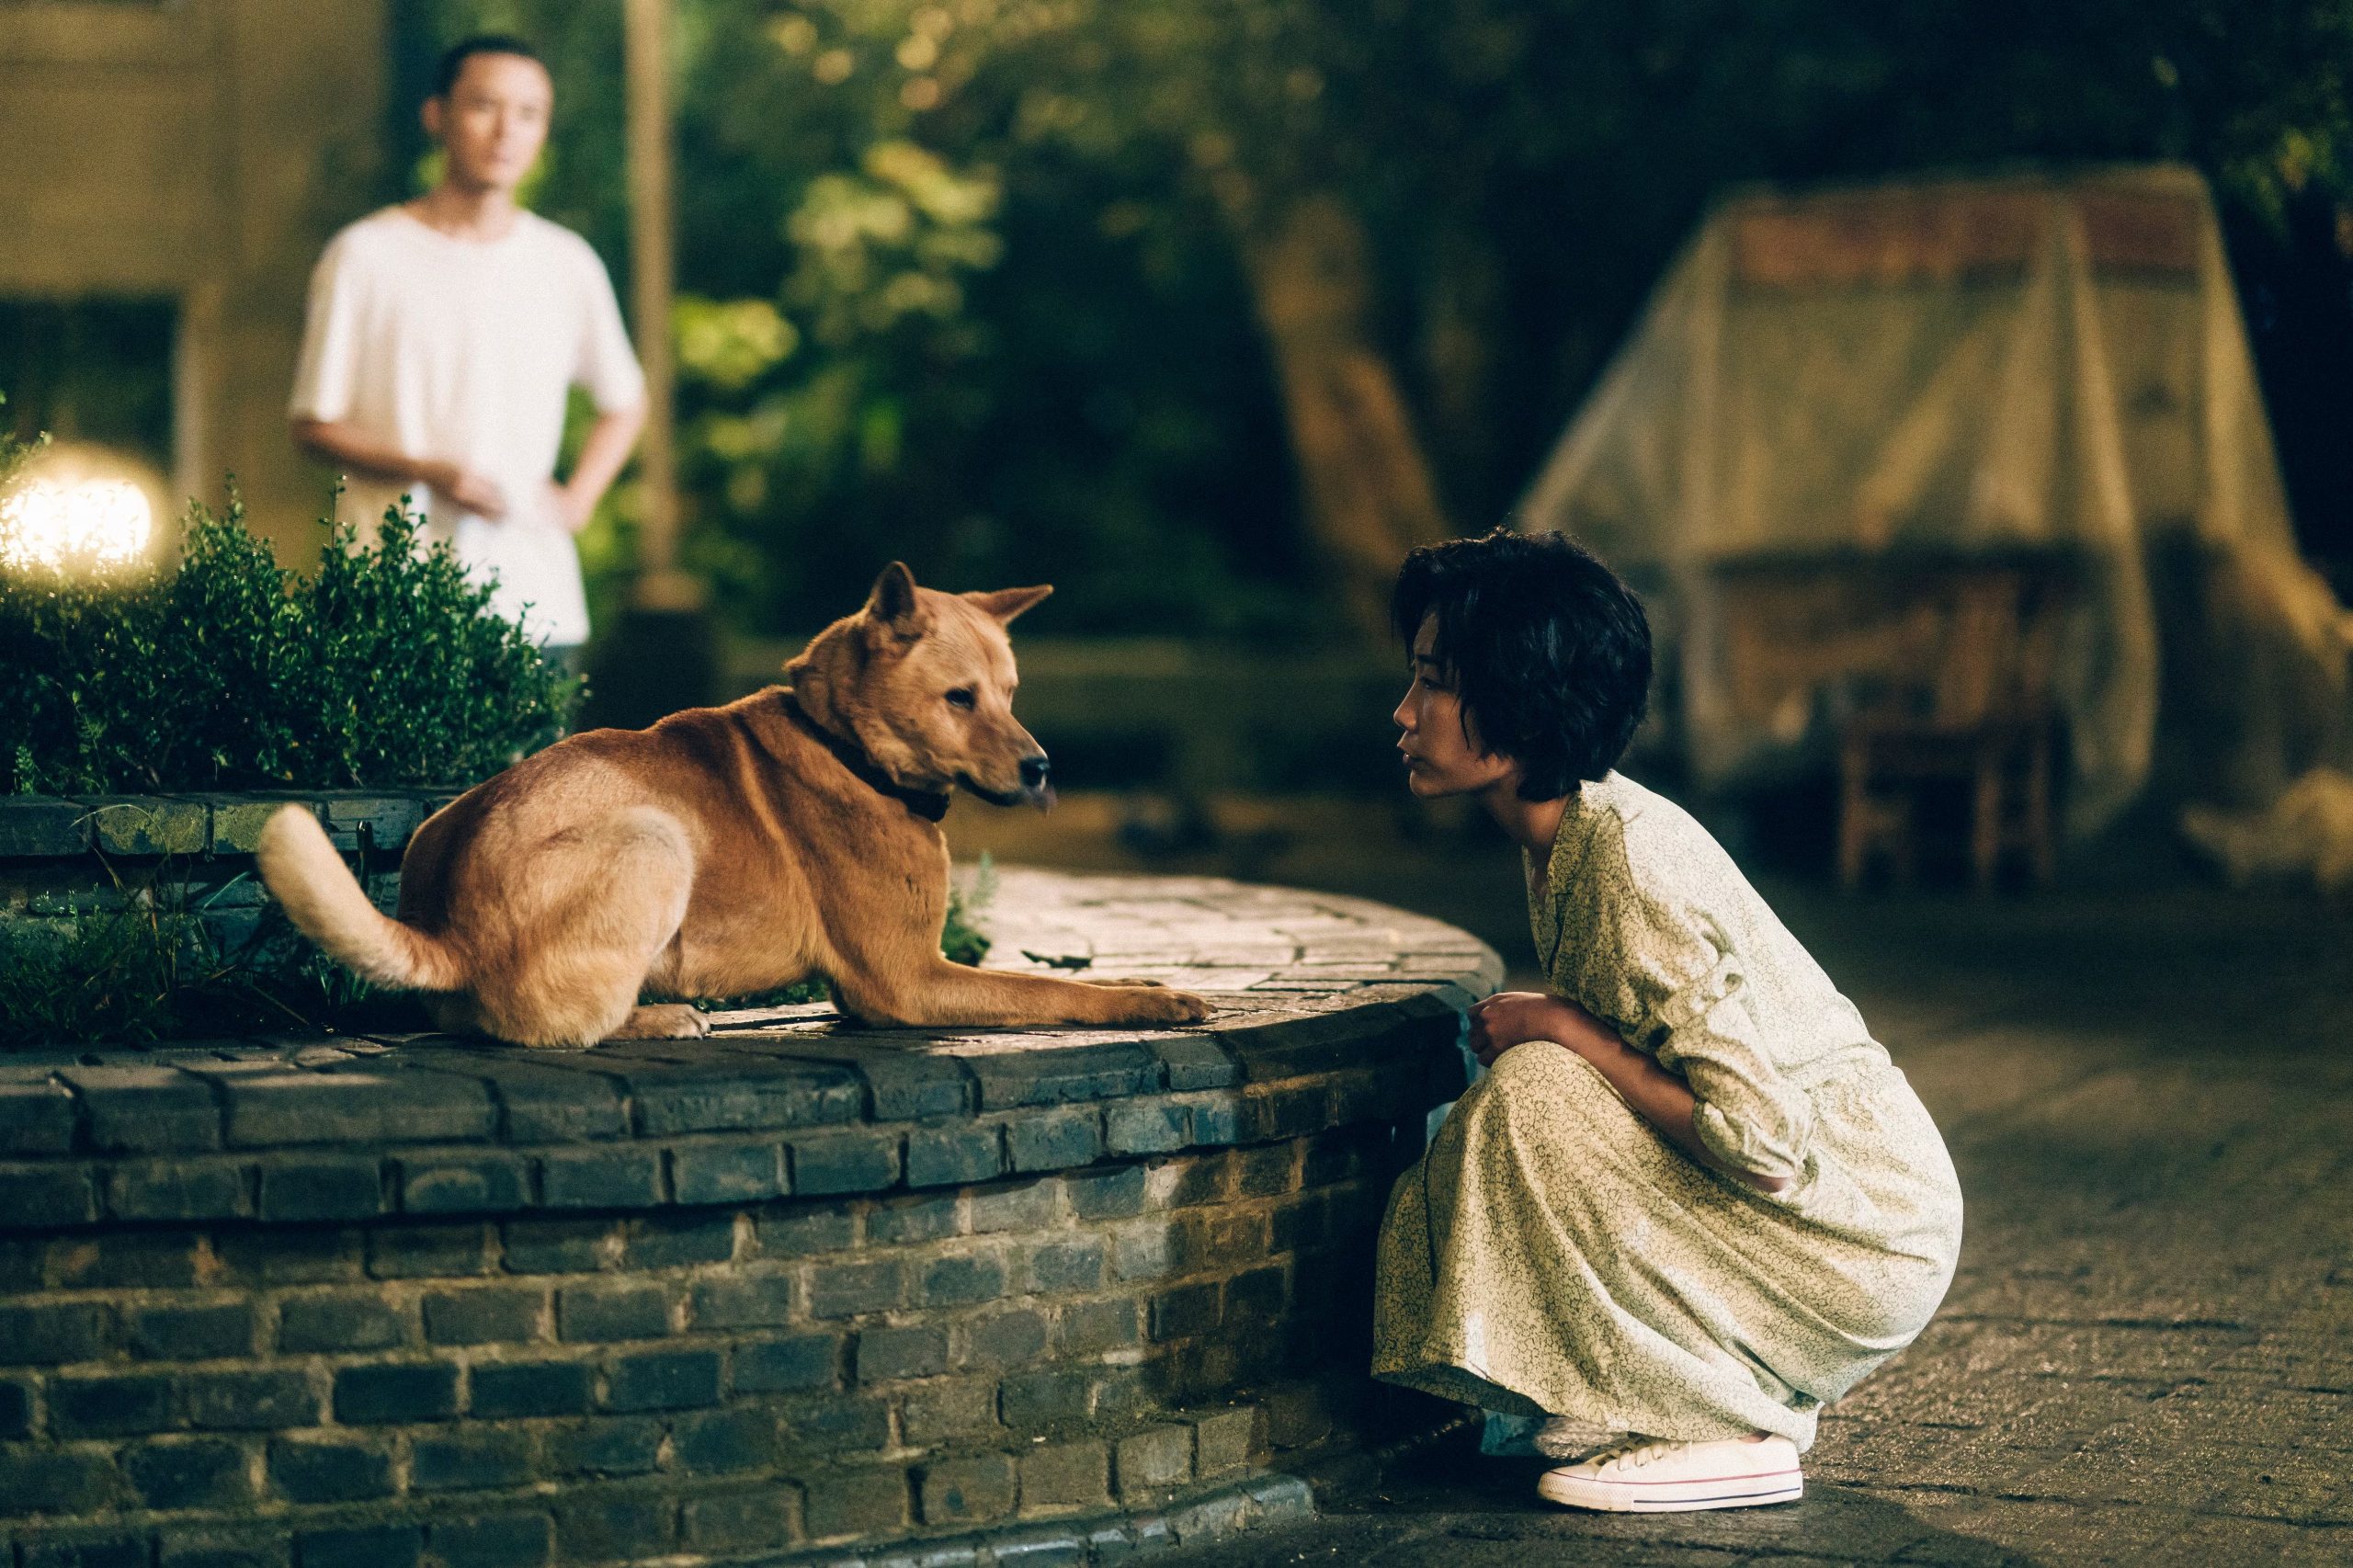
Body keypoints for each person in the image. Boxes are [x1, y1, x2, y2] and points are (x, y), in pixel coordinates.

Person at [1371, 528, 1963, 1513]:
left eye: (1433, 682)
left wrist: (1570, 1029)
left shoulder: (1625, 863)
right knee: (1529, 1086)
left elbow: (1762, 1145)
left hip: (1858, 1226)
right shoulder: (1568, 830)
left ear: (1518, 705)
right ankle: (1633, 1398)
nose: (1403, 711)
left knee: (1538, 1093)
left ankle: (1727, 1426)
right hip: (1830, 1200)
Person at [289, 33, 645, 670]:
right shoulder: (364, 256)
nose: (507, 131)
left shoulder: (565, 263)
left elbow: (625, 402)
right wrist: (431, 470)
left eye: (529, 113)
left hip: (534, 603)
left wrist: (577, 501)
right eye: (484, 106)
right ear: (437, 116)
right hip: (390, 599)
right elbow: (313, 425)